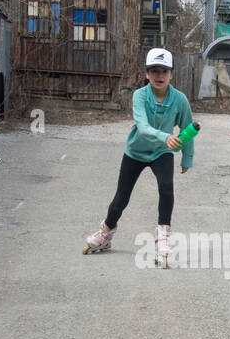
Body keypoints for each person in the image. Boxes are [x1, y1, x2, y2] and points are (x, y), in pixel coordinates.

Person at [82, 48, 194, 267]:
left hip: (161, 153)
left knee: (166, 187)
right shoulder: (140, 96)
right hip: (135, 152)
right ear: (146, 74)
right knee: (121, 199)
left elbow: (188, 127)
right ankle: (106, 231)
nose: (159, 76)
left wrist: (187, 157)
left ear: (171, 74)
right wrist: (166, 137)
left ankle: (163, 235)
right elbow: (142, 127)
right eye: (154, 71)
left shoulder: (179, 100)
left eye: (164, 71)